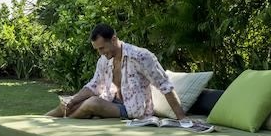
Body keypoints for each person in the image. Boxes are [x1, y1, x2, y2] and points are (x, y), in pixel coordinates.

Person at [47, 24, 187, 120]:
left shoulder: (141, 56)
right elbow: (94, 85)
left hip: (134, 109)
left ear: (113, 39)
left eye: (102, 48)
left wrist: (182, 119)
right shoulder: (104, 60)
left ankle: (66, 120)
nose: (100, 53)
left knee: (93, 103)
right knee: (67, 102)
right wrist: (73, 99)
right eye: (97, 50)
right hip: (111, 101)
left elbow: (165, 86)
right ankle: (40, 121)